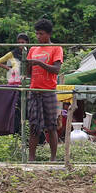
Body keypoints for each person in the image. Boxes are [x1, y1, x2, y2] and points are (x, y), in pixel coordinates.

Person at [24, 18, 63, 162]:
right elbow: (29, 72)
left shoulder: (56, 48)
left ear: (48, 34)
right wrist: (28, 65)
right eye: (37, 34)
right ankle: (31, 158)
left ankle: (53, 158)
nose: (38, 37)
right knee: (34, 126)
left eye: (41, 34)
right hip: (34, 91)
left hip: (49, 91)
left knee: (51, 126)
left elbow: (56, 70)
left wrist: (39, 63)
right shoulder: (33, 49)